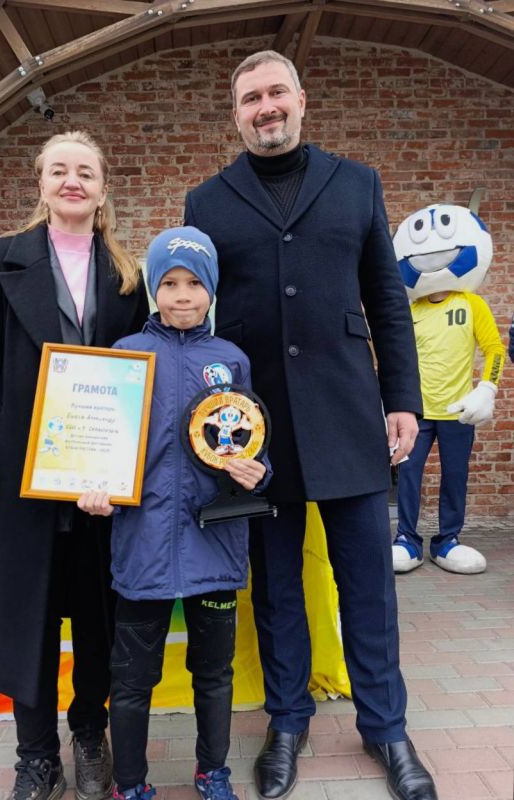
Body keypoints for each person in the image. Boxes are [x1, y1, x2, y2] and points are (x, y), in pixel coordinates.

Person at [185, 50, 437, 800]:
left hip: (347, 414)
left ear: (301, 98)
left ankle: (386, 727)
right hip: (257, 430)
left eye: (275, 93)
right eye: (250, 98)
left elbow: (386, 298)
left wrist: (403, 399)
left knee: (368, 582)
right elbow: (194, 310)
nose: (265, 107)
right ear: (236, 114)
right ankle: (287, 721)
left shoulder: (357, 183)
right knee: (276, 588)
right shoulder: (207, 202)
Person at [0, 131, 149, 800]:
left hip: (99, 482)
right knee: (25, 617)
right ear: (40, 183)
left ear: (102, 187)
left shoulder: (127, 277)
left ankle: (89, 733)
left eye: (85, 171)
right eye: (59, 170)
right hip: (16, 477)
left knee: (96, 617)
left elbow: (137, 380)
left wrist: (125, 473)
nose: (72, 181)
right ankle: (35, 756)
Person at [77, 225, 269, 800]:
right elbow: (98, 444)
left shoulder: (231, 360)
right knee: (132, 679)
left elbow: (254, 438)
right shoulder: (126, 356)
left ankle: (213, 772)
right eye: (169, 283)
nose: (182, 296)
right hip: (144, 546)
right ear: (152, 289)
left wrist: (259, 472)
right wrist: (92, 486)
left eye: (194, 284)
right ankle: (130, 784)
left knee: (214, 674)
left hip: (216, 544)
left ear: (212, 289)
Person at [392, 203, 505, 574]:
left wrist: (487, 389)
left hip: (458, 412)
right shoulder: (410, 310)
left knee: (455, 476)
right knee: (409, 477)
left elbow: (494, 349)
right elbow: (395, 359)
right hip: (417, 412)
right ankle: (407, 539)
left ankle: (447, 540)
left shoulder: (472, 304)